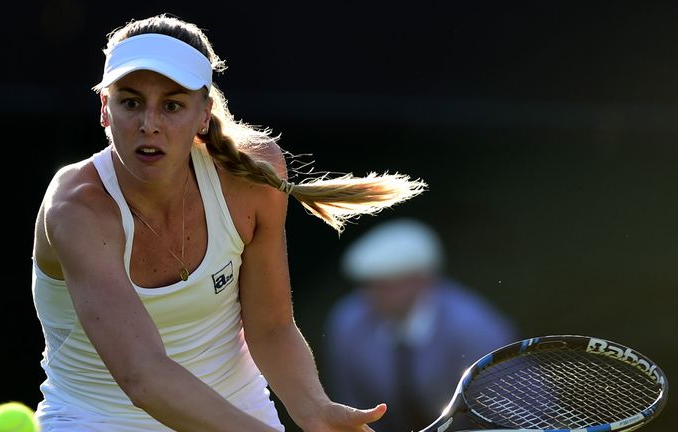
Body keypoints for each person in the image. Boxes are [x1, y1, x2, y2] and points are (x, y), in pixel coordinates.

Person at [30, 13, 426, 432]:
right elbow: (142, 374)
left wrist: (314, 409)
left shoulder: (251, 175)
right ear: (105, 111)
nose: (149, 124)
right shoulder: (76, 208)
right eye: (131, 103)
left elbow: (271, 327)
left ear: (203, 114)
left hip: (238, 408)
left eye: (172, 105)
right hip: (94, 421)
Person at [323, 218, 517, 432]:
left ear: (421, 280)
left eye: (386, 285)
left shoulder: (475, 329)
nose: (371, 295)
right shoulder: (348, 323)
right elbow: (351, 403)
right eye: (368, 284)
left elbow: (507, 412)